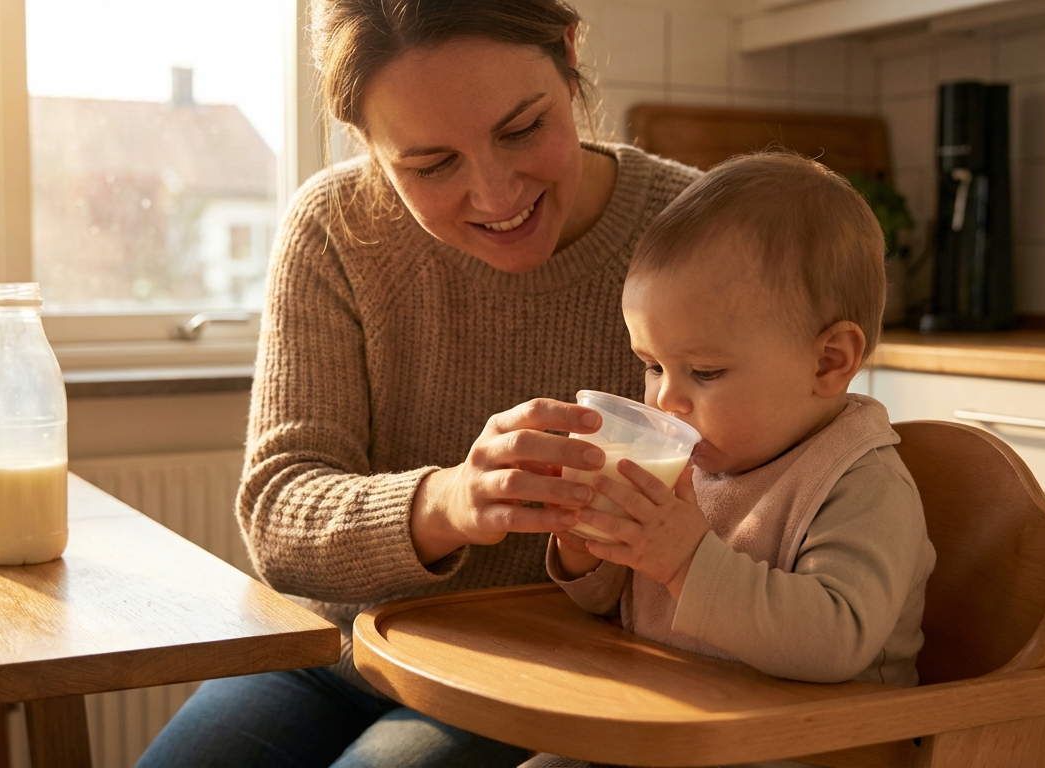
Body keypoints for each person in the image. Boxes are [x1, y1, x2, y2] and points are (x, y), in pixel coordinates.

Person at [137, 1, 702, 766]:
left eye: (523, 128)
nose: (498, 197)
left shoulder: (694, 231)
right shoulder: (335, 230)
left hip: (557, 664)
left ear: (569, 56)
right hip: (338, 655)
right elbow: (277, 513)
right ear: (365, 143)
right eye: (431, 165)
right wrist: (451, 500)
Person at [534, 152, 938, 766]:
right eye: (652, 366)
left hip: (814, 750)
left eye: (705, 371)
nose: (666, 398)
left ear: (829, 362)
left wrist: (685, 559)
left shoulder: (859, 482)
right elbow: (617, 609)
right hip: (674, 731)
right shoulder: (699, 457)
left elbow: (836, 638)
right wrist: (590, 541)